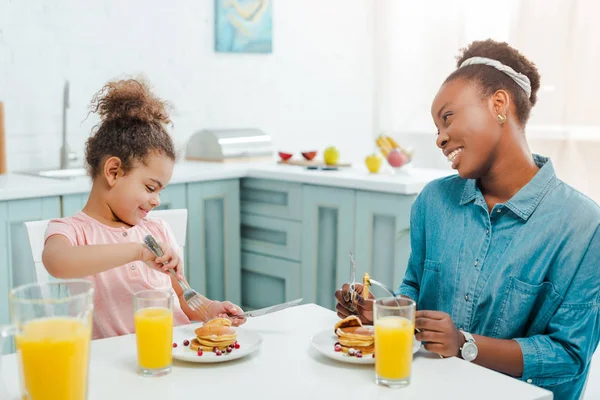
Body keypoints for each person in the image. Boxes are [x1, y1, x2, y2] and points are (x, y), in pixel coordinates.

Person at [335, 39, 600, 399]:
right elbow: (414, 288)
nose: (440, 139)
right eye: (436, 129)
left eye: (447, 118)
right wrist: (383, 313)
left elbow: (570, 356)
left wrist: (465, 344)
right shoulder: (433, 201)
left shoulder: (583, 226)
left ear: (499, 104)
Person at [42, 78, 245, 340]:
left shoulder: (157, 230)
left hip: (172, 354)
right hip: (116, 368)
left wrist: (213, 310)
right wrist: (137, 251)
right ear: (114, 172)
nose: (157, 200)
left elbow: (183, 298)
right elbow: (57, 262)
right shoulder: (71, 231)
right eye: (151, 188)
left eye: (161, 191)